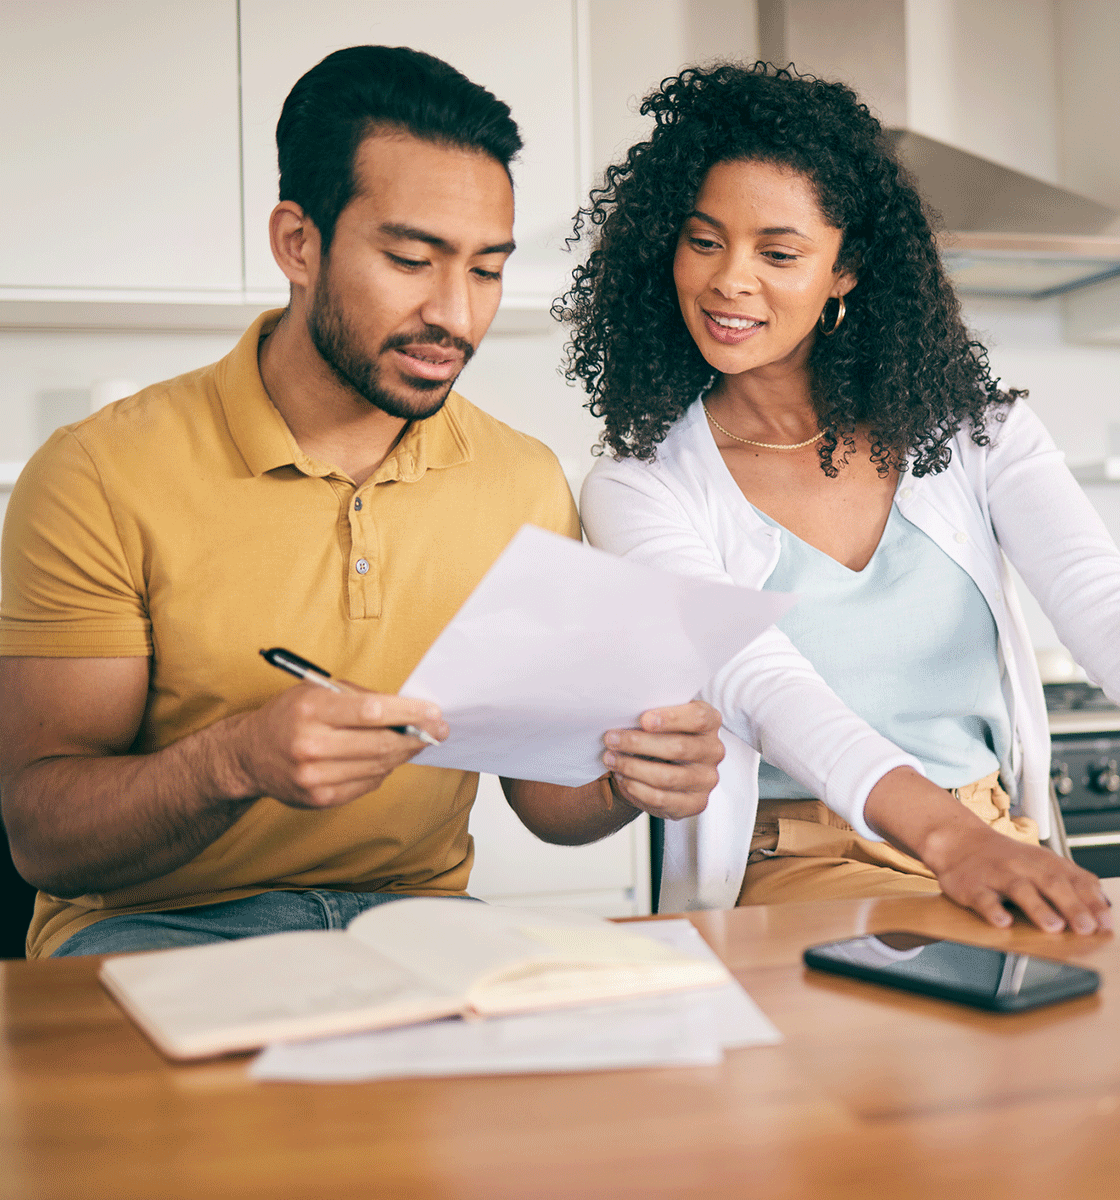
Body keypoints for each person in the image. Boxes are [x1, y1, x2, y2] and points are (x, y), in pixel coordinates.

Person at [0, 46, 723, 959]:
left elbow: (546, 802)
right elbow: (44, 837)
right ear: (298, 244)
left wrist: (633, 777)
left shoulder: (523, 482)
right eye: (412, 259)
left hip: (420, 929)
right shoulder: (98, 474)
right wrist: (234, 762)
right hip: (153, 931)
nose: (456, 316)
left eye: (487, 270)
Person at [562, 62, 1116, 934]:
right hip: (799, 864)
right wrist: (946, 842)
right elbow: (760, 683)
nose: (728, 281)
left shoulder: (980, 434)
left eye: (778, 254)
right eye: (704, 241)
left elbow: (1099, 598)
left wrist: (972, 840)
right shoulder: (640, 485)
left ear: (845, 270)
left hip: (990, 834)